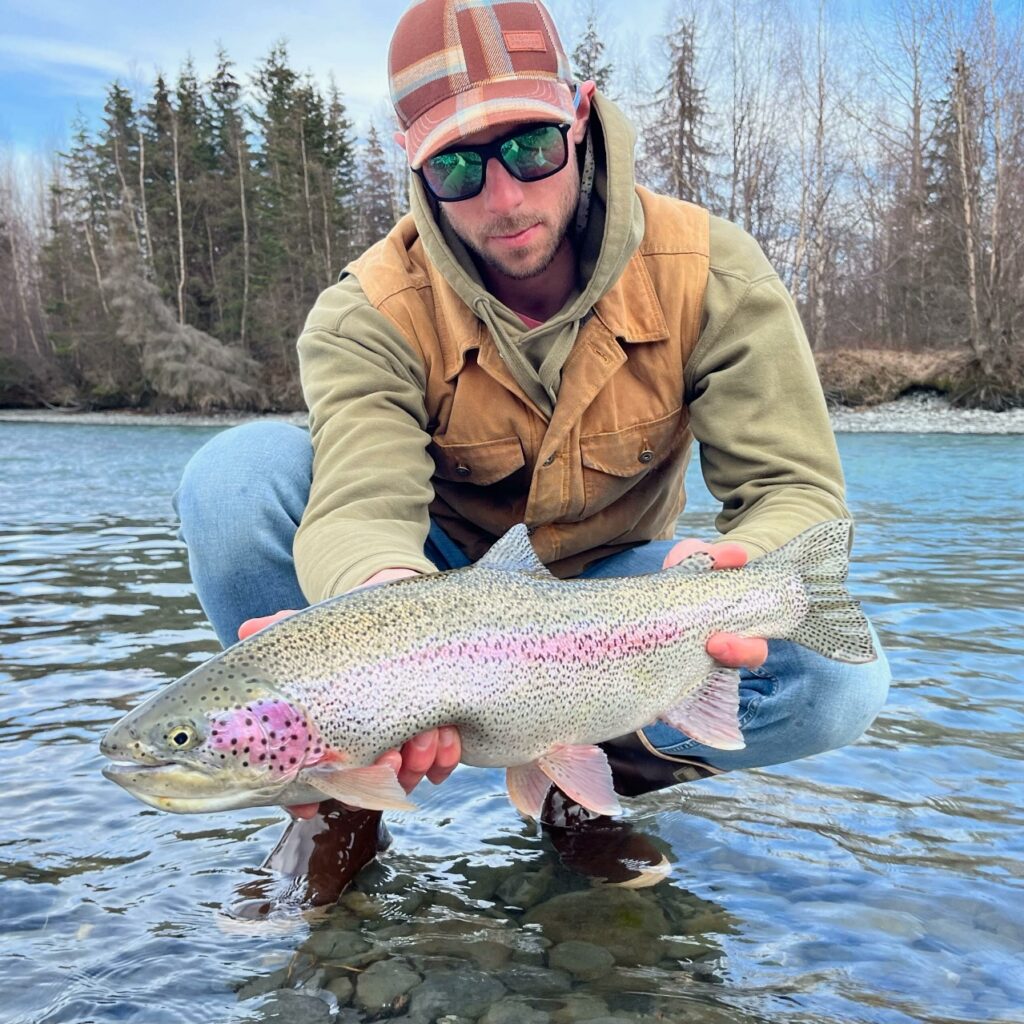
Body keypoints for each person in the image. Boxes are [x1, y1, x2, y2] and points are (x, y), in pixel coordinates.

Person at [175, 0, 890, 898]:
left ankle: (584, 793)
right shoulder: (367, 311)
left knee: (835, 684)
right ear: (415, 165)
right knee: (233, 481)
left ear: (579, 119)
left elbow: (792, 486)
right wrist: (384, 623)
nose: (505, 196)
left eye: (529, 149)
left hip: (617, 600)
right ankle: (338, 796)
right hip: (434, 597)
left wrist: (734, 567)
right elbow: (358, 503)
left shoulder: (714, 272)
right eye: (460, 167)